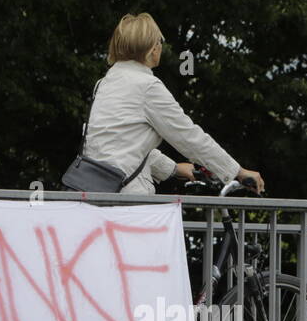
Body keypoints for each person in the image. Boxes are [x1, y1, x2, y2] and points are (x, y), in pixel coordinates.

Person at [81, 13, 264, 196]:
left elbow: (117, 149)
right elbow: (188, 136)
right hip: (128, 202)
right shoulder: (147, 87)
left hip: (94, 192)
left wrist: (174, 169)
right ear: (152, 48)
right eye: (159, 42)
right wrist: (237, 171)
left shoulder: (104, 84)